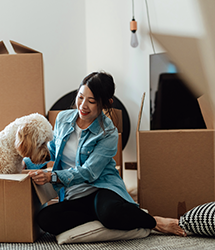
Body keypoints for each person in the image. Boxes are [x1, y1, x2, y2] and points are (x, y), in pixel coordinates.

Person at [24, 71, 186, 237]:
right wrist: (25, 163)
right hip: (74, 196)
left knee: (110, 214)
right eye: (80, 97)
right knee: (45, 219)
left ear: (105, 103)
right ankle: (100, 216)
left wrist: (52, 176)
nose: (83, 105)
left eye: (91, 101)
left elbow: (89, 172)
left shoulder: (108, 132)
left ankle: (156, 222)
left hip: (101, 189)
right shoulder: (62, 119)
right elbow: (52, 150)